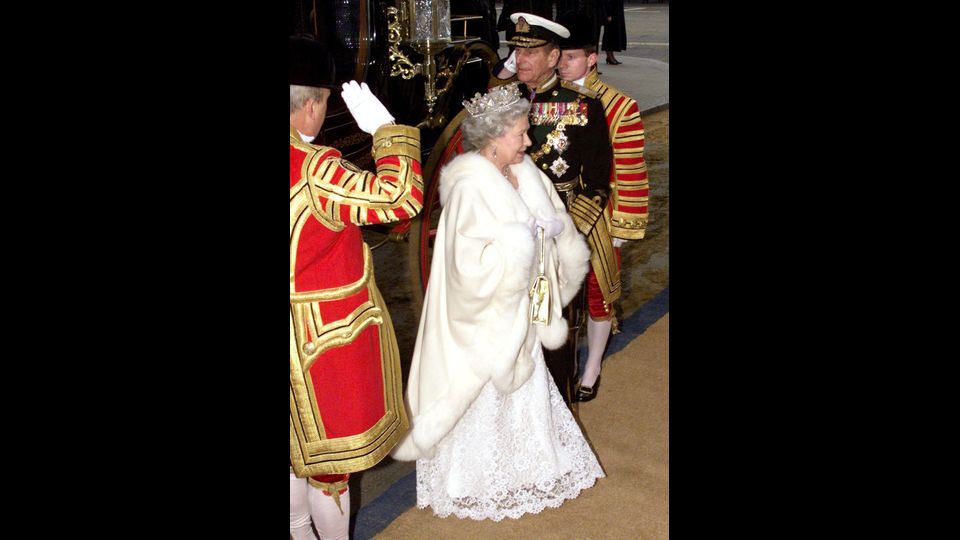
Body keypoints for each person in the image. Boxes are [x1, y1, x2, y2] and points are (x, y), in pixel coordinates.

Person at [390, 82, 603, 520]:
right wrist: (521, 241)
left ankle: (528, 470)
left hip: (525, 313)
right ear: (494, 136)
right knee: (488, 395)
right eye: (521, 133)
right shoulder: (469, 186)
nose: (529, 141)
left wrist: (555, 234)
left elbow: (555, 223)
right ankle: (476, 479)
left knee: (527, 393)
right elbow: (466, 268)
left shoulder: (525, 172)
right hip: (487, 323)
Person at [289, 35, 424, 540]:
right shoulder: (315, 169)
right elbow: (400, 199)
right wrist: (388, 134)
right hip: (316, 347)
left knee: (290, 460)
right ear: (309, 105)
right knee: (328, 474)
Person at [494, 13, 616, 406]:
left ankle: (558, 417)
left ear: (553, 57)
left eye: (531, 51)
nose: (521, 58)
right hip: (507, 239)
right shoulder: (501, 105)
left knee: (553, 341)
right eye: (517, 49)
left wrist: (567, 233)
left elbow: (597, 184)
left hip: (555, 240)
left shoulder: (582, 106)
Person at [557, 11, 649, 402]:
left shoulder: (619, 106)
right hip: (553, 212)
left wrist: (623, 228)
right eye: (559, 56)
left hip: (600, 213)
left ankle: (593, 362)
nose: (563, 65)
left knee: (598, 292)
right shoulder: (544, 97)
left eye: (572, 57)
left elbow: (629, 170)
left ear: (592, 58)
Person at [601, 0, 627, 64]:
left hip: (616, 11)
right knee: (609, 34)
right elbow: (607, 2)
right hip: (611, 12)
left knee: (614, 34)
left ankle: (611, 56)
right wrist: (608, 14)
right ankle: (609, 56)